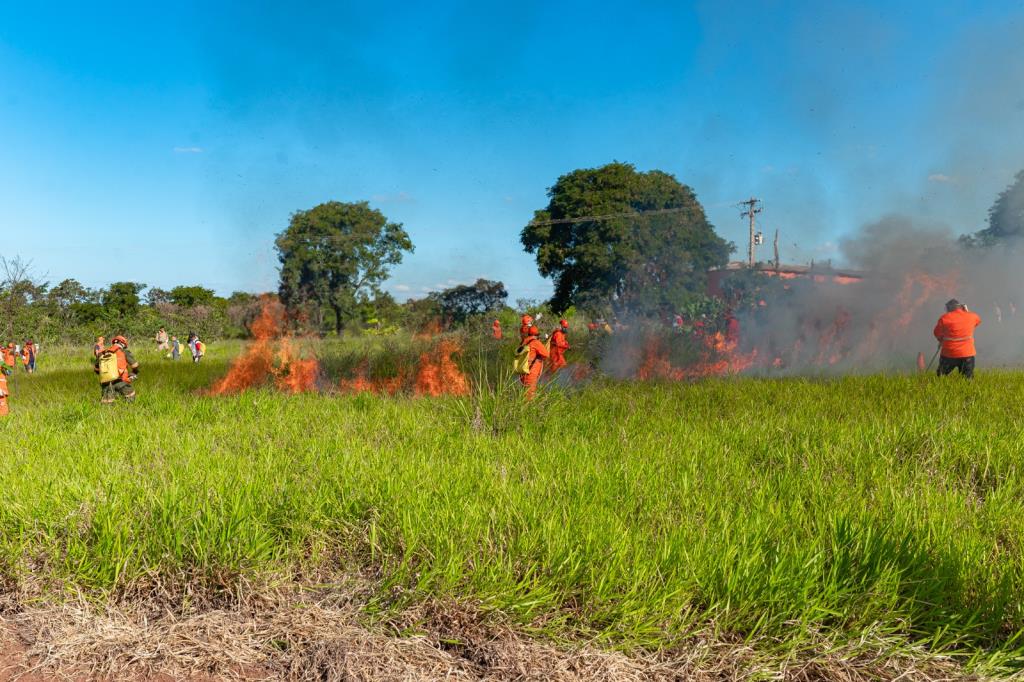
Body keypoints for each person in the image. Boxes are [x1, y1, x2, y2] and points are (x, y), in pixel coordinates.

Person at [933, 299, 982, 379]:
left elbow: (936, 332)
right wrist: (967, 312)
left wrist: (941, 340)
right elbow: (977, 322)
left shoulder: (944, 318)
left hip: (948, 354)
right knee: (967, 380)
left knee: (941, 377)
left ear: (949, 308)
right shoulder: (972, 316)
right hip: (967, 354)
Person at [94, 335, 139, 404]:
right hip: (119, 380)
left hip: (105, 382)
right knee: (130, 394)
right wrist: (134, 373)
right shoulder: (124, 351)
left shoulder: (103, 353)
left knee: (107, 402)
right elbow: (135, 365)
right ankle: (128, 409)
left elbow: (96, 370)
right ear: (123, 343)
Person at [518, 325, 549, 399]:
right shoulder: (535, 342)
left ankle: (521, 407)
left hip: (523, 370)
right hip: (531, 372)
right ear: (537, 334)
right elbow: (546, 354)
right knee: (529, 395)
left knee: (524, 391)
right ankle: (527, 409)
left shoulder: (524, 341)